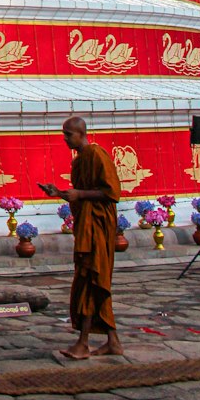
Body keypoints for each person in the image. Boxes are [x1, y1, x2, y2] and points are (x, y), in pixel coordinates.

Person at [40, 114, 123, 359]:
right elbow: (79, 194)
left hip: (99, 226)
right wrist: (60, 193)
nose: (65, 139)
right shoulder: (78, 162)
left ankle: (83, 343)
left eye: (68, 134)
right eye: (64, 134)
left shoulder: (97, 155)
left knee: (91, 279)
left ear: (81, 134)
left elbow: (111, 192)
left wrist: (80, 195)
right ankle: (113, 341)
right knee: (94, 282)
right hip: (87, 225)